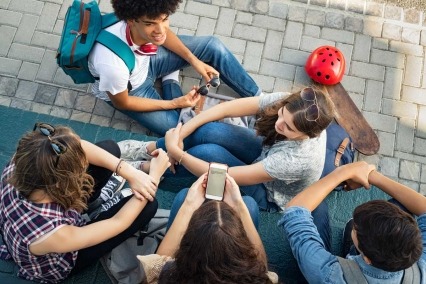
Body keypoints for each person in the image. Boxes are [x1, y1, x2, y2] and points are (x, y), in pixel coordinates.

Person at [119, 87, 336, 250]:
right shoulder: (295, 104)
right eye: (281, 115)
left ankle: (150, 167)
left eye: (288, 127)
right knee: (210, 130)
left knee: (207, 154)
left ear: (307, 135)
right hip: (266, 153)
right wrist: (182, 134)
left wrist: (178, 153)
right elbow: (226, 108)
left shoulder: (298, 158)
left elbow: (224, 175)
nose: (279, 123)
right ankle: (150, 150)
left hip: (269, 192)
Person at [0, 123, 170, 283]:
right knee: (148, 207)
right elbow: (118, 223)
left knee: (109, 148)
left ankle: (93, 209)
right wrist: (153, 176)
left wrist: (129, 172)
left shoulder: (27, 160)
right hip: (61, 257)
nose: (84, 171)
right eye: (80, 171)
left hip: (49, 214)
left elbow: (80, 147)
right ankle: (95, 215)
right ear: (64, 184)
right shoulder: (53, 234)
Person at [88, 0, 261, 136]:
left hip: (146, 62)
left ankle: (261, 99)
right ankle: (170, 81)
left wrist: (194, 61)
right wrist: (173, 103)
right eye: (150, 24)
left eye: (164, 19)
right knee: (182, 131)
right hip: (132, 91)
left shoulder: (145, 20)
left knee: (212, 46)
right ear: (131, 21)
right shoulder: (112, 65)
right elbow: (122, 102)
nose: (160, 29)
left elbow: (162, 36)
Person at [279, 161, 425, 283]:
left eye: (356, 229)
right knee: (403, 204)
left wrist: (344, 172)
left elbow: (295, 211)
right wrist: (373, 176)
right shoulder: (421, 269)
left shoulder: (331, 275)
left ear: (367, 258)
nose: (355, 226)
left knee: (317, 207)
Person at [137, 174, 278, 283]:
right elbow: (262, 268)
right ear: (241, 246)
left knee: (183, 195)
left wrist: (189, 205)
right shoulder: (258, 279)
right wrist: (240, 206)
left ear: (187, 243)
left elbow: (161, 262)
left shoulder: (169, 275)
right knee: (249, 204)